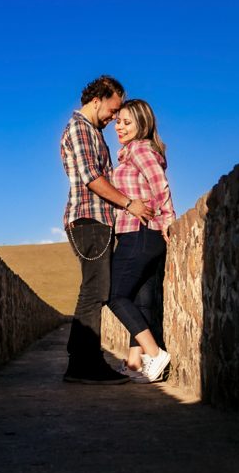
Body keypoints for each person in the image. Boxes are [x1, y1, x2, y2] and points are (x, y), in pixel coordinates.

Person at [59, 75, 151, 384]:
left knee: (94, 288)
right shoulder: (80, 129)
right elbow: (92, 179)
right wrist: (130, 204)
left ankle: (80, 363)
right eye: (112, 111)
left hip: (94, 220)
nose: (114, 119)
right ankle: (85, 364)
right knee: (95, 290)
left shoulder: (90, 130)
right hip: (89, 219)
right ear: (97, 99)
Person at [108, 98, 175, 383]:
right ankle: (136, 363)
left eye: (127, 122)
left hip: (138, 232)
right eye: (118, 122)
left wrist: (169, 218)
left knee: (116, 296)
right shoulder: (132, 152)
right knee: (140, 300)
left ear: (143, 125)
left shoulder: (139, 149)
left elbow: (159, 184)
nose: (119, 127)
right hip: (144, 235)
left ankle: (154, 353)